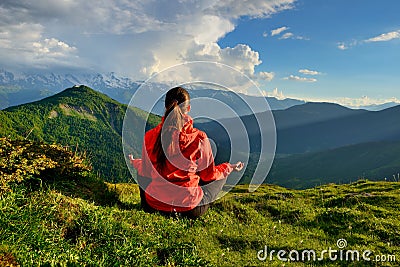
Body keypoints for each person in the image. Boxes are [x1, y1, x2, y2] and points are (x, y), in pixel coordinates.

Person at [129, 86, 243, 219]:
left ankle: (154, 203)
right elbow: (208, 175)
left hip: (153, 205)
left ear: (166, 108)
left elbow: (146, 171)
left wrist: (135, 162)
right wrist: (229, 167)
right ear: (188, 109)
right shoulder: (199, 138)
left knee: (142, 172)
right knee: (221, 175)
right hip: (188, 209)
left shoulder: (150, 136)